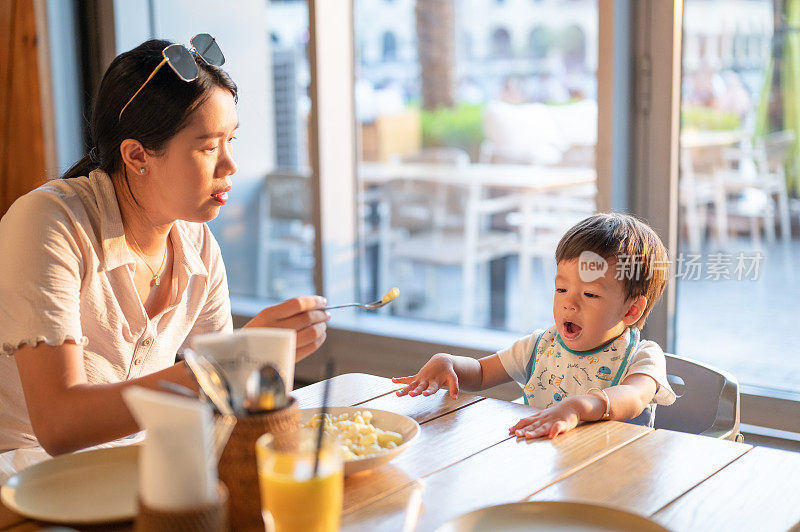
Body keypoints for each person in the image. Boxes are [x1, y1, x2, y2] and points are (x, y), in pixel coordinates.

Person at [0, 37, 329, 459]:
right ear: (137, 155)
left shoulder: (197, 246)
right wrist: (230, 362)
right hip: (24, 487)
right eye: (209, 147)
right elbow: (59, 425)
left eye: (232, 140)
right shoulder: (50, 222)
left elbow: (221, 410)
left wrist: (253, 364)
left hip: (138, 475)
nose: (230, 165)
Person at [392, 213, 676, 439]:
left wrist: (577, 407)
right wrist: (450, 364)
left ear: (632, 310)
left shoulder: (643, 357)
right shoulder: (541, 346)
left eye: (590, 294)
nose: (569, 304)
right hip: (545, 466)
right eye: (561, 289)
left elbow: (633, 396)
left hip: (613, 472)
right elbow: (480, 374)